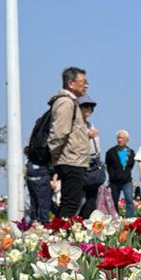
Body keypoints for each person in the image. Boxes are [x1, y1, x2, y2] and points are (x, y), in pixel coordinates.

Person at [48, 67, 90, 218]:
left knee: (72, 202)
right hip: (70, 160)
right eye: (83, 82)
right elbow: (59, 132)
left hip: (75, 160)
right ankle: (58, 236)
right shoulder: (66, 103)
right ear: (70, 83)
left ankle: (61, 233)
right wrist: (54, 155)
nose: (86, 85)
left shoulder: (72, 102)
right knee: (70, 203)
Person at [78, 96, 103, 218]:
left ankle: (84, 222)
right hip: (81, 163)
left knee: (92, 200)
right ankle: (75, 222)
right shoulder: (77, 122)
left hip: (93, 163)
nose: (88, 109)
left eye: (90, 107)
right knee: (79, 199)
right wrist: (88, 134)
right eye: (85, 106)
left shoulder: (89, 124)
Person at [104, 130, 135, 217]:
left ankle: (129, 219)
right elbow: (108, 165)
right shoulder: (110, 152)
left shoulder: (131, 152)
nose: (120, 140)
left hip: (127, 181)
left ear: (127, 140)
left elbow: (131, 165)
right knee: (114, 201)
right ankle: (115, 219)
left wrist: (125, 174)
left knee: (129, 200)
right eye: (118, 138)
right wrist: (112, 176)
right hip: (114, 182)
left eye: (122, 138)